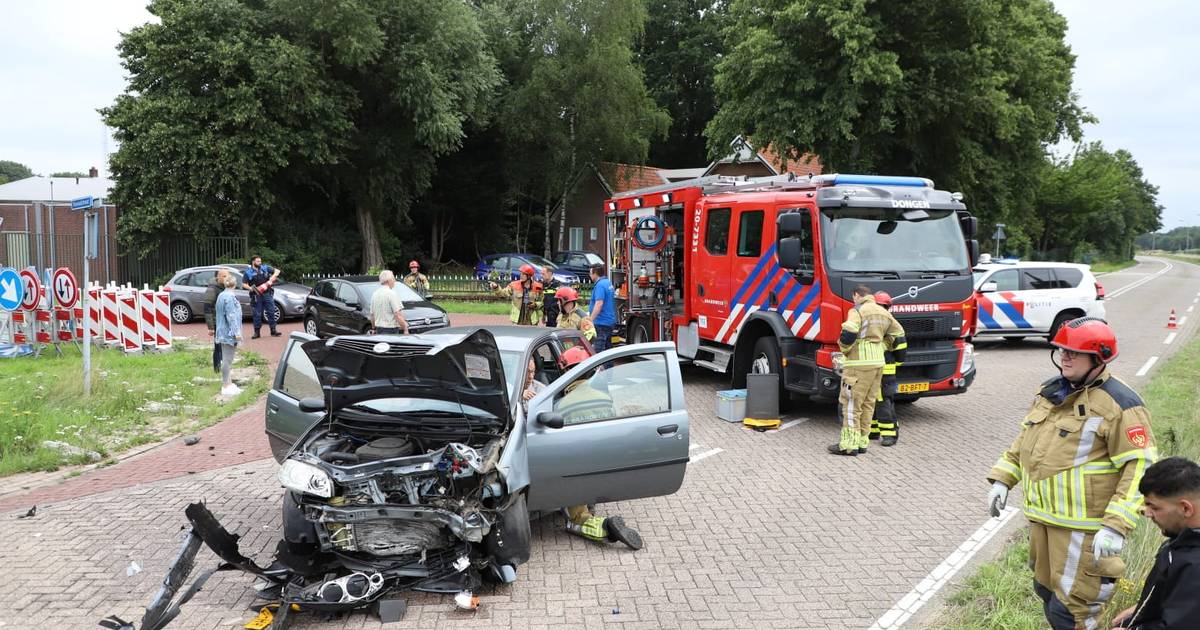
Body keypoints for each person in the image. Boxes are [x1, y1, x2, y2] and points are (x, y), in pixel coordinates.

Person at [986, 317, 1157, 630]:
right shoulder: (1050, 392)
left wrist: (1116, 526)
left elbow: (1140, 467)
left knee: (1073, 613)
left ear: (1098, 357)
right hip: (1043, 524)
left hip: (1085, 533)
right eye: (1062, 349)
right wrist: (1003, 479)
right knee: (1047, 595)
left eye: (1074, 352)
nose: (1065, 356)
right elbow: (1025, 441)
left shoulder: (1121, 405)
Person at [549, 346, 642, 550]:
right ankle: (590, 502)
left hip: (575, 468)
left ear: (566, 372)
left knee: (575, 520)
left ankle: (603, 527)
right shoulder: (604, 398)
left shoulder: (562, 404)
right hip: (602, 463)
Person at [1112, 457, 1200, 629]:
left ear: (1186, 508)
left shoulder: (1194, 565)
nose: (1147, 513)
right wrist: (1142, 608)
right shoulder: (1183, 540)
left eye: (1154, 507)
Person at [829, 285, 904, 456]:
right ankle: (862, 443)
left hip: (859, 364)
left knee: (851, 404)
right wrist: (881, 346)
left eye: (853, 297)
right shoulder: (883, 312)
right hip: (878, 363)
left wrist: (845, 349)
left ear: (856, 295)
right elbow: (898, 335)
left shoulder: (858, 310)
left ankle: (849, 445)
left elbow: (849, 332)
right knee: (868, 404)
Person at [868, 291, 907, 447]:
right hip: (873, 368)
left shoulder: (891, 325)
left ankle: (890, 435)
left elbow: (901, 348)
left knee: (884, 402)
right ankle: (873, 431)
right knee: (871, 400)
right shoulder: (872, 322)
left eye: (881, 306)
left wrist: (894, 365)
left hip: (885, 370)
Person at [215, 273, 243, 396]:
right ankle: (225, 385)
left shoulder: (221, 295)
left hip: (222, 330)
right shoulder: (230, 297)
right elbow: (231, 316)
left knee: (227, 358)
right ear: (235, 284)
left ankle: (229, 383)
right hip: (228, 332)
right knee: (227, 359)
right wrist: (236, 332)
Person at [242, 255, 281, 339]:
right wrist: (250, 288)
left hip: (267, 294)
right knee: (257, 314)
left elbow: (277, 271)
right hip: (256, 295)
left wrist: (273, 276)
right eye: (258, 261)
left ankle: (273, 330)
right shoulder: (248, 272)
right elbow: (244, 284)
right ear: (253, 262)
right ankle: (257, 332)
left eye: (260, 261)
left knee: (271, 311)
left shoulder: (265, 268)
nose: (260, 263)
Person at [202, 268, 231, 374]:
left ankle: (224, 368)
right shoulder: (212, 289)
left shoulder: (225, 287)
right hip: (217, 322)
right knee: (218, 347)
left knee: (225, 346)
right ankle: (217, 369)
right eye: (224, 276)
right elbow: (207, 308)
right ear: (218, 277)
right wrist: (210, 327)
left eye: (228, 276)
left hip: (225, 321)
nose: (226, 278)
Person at [369, 270, 409, 335]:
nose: (394, 281)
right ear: (389, 280)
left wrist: (373, 328)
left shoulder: (375, 294)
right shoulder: (392, 294)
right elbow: (397, 315)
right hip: (391, 330)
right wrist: (405, 328)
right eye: (393, 278)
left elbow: (372, 315)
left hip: (379, 329)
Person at [588, 264, 616, 352]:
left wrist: (590, 319)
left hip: (601, 323)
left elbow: (599, 304)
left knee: (599, 351)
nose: (589, 275)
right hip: (609, 321)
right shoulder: (607, 282)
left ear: (595, 273)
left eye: (590, 273)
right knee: (608, 351)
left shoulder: (600, 285)